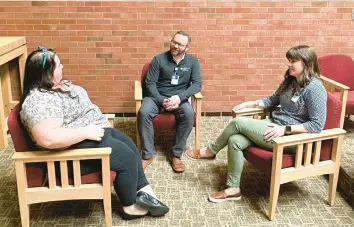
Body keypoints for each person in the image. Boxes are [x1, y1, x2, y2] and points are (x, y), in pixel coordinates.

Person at [19, 47, 169, 220]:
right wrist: (85, 131)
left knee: (130, 146)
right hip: (66, 158)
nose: (62, 68)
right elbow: (48, 139)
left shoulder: (50, 89)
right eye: (59, 66)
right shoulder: (37, 101)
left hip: (86, 138)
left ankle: (145, 194)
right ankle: (130, 207)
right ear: (46, 73)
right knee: (125, 156)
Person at [185, 45, 327, 203]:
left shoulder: (315, 88)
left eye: (293, 61)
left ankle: (210, 151)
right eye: (289, 60)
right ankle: (233, 189)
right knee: (235, 141)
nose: (289, 64)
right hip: (273, 124)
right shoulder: (291, 80)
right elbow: (272, 100)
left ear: (306, 63)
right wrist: (250, 104)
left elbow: (316, 125)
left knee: (237, 123)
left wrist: (285, 130)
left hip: (291, 137)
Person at [138, 31, 202, 172]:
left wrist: (179, 98)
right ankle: (147, 155)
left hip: (179, 99)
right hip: (156, 97)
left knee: (189, 113)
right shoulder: (158, 59)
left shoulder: (192, 62)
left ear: (187, 48)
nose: (176, 46)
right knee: (143, 111)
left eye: (180, 44)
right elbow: (150, 84)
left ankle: (176, 155)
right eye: (174, 42)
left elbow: (197, 84)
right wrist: (162, 100)